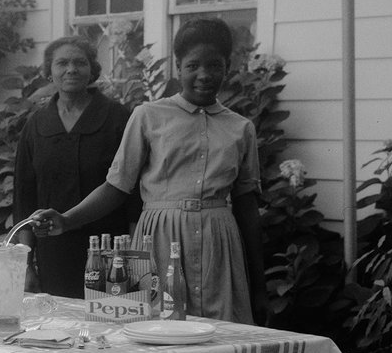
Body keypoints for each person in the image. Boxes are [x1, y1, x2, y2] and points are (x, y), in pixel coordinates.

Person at [30, 17, 267, 324]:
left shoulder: (240, 128)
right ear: (178, 66)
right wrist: (67, 219)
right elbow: (116, 186)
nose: (204, 75)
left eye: (214, 65)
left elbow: (247, 207)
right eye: (193, 65)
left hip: (219, 244)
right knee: (155, 329)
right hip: (158, 239)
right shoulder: (148, 116)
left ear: (227, 67)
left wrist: (259, 289)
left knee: (221, 332)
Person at [13, 35, 138, 297]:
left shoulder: (117, 118)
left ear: (92, 69)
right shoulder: (36, 126)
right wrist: (26, 266)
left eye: (80, 62)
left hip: (109, 248)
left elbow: (134, 194)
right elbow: (24, 200)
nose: (71, 69)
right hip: (53, 253)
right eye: (62, 63)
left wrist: (133, 255)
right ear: (49, 73)